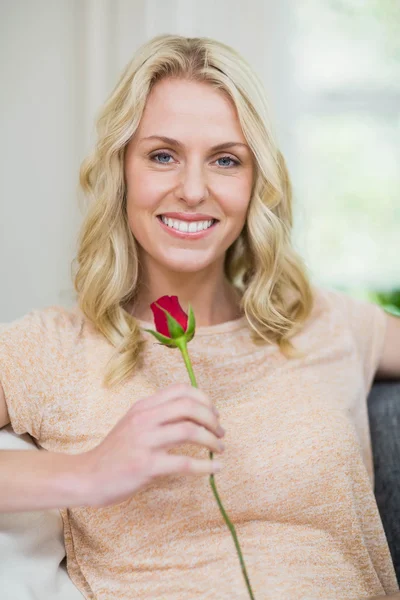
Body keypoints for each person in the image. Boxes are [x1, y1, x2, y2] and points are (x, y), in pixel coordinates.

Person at [0, 34, 399, 600]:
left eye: (226, 160)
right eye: (163, 155)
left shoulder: (317, 321)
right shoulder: (53, 348)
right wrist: (89, 472)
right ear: (123, 172)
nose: (192, 190)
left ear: (255, 181)